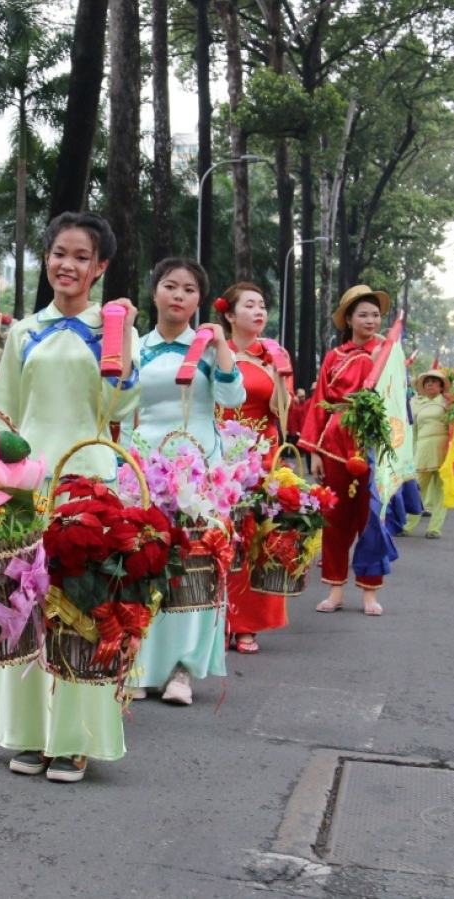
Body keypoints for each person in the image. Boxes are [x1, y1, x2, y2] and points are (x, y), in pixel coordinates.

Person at [0, 211, 140, 784]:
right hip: (27, 485)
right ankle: (27, 733)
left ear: (100, 268)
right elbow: (3, 412)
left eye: (81, 257)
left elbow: (119, 409)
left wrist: (117, 344)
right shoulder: (24, 332)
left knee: (81, 612)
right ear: (45, 259)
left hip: (89, 483)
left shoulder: (116, 329)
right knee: (23, 608)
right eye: (58, 254)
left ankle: (74, 739)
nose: (67, 265)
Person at [128, 258, 241, 703]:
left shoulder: (208, 348)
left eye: (189, 289)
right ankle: (140, 663)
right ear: (153, 293)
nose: (179, 295)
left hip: (200, 467)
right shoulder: (138, 347)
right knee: (144, 561)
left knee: (195, 565)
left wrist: (222, 348)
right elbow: (121, 406)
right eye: (170, 286)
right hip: (146, 465)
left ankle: (183, 669)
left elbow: (233, 397)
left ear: (200, 300)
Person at [299, 285, 389, 617]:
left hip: (373, 445)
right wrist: (315, 451)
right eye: (363, 314)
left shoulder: (389, 354)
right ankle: (335, 589)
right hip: (336, 443)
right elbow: (320, 403)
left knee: (371, 521)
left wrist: (381, 363)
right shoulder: (335, 357)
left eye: (376, 314)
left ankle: (369, 592)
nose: (370, 320)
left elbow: (396, 404)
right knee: (335, 521)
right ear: (348, 320)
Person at [217, 282, 294, 654]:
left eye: (262, 305)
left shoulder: (274, 355)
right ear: (230, 315)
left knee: (255, 538)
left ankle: (247, 624)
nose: (259, 311)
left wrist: (280, 376)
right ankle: (217, 618)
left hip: (262, 454)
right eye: (249, 305)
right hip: (219, 455)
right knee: (219, 536)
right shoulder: (217, 352)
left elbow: (282, 414)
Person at [404, 370, 452, 538]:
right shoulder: (415, 403)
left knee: (440, 491)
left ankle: (435, 528)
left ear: (441, 386)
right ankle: (407, 526)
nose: (430, 384)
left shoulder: (449, 403)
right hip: (423, 447)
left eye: (434, 381)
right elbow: (413, 430)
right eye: (427, 382)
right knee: (416, 488)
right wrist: (411, 451)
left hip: (444, 448)